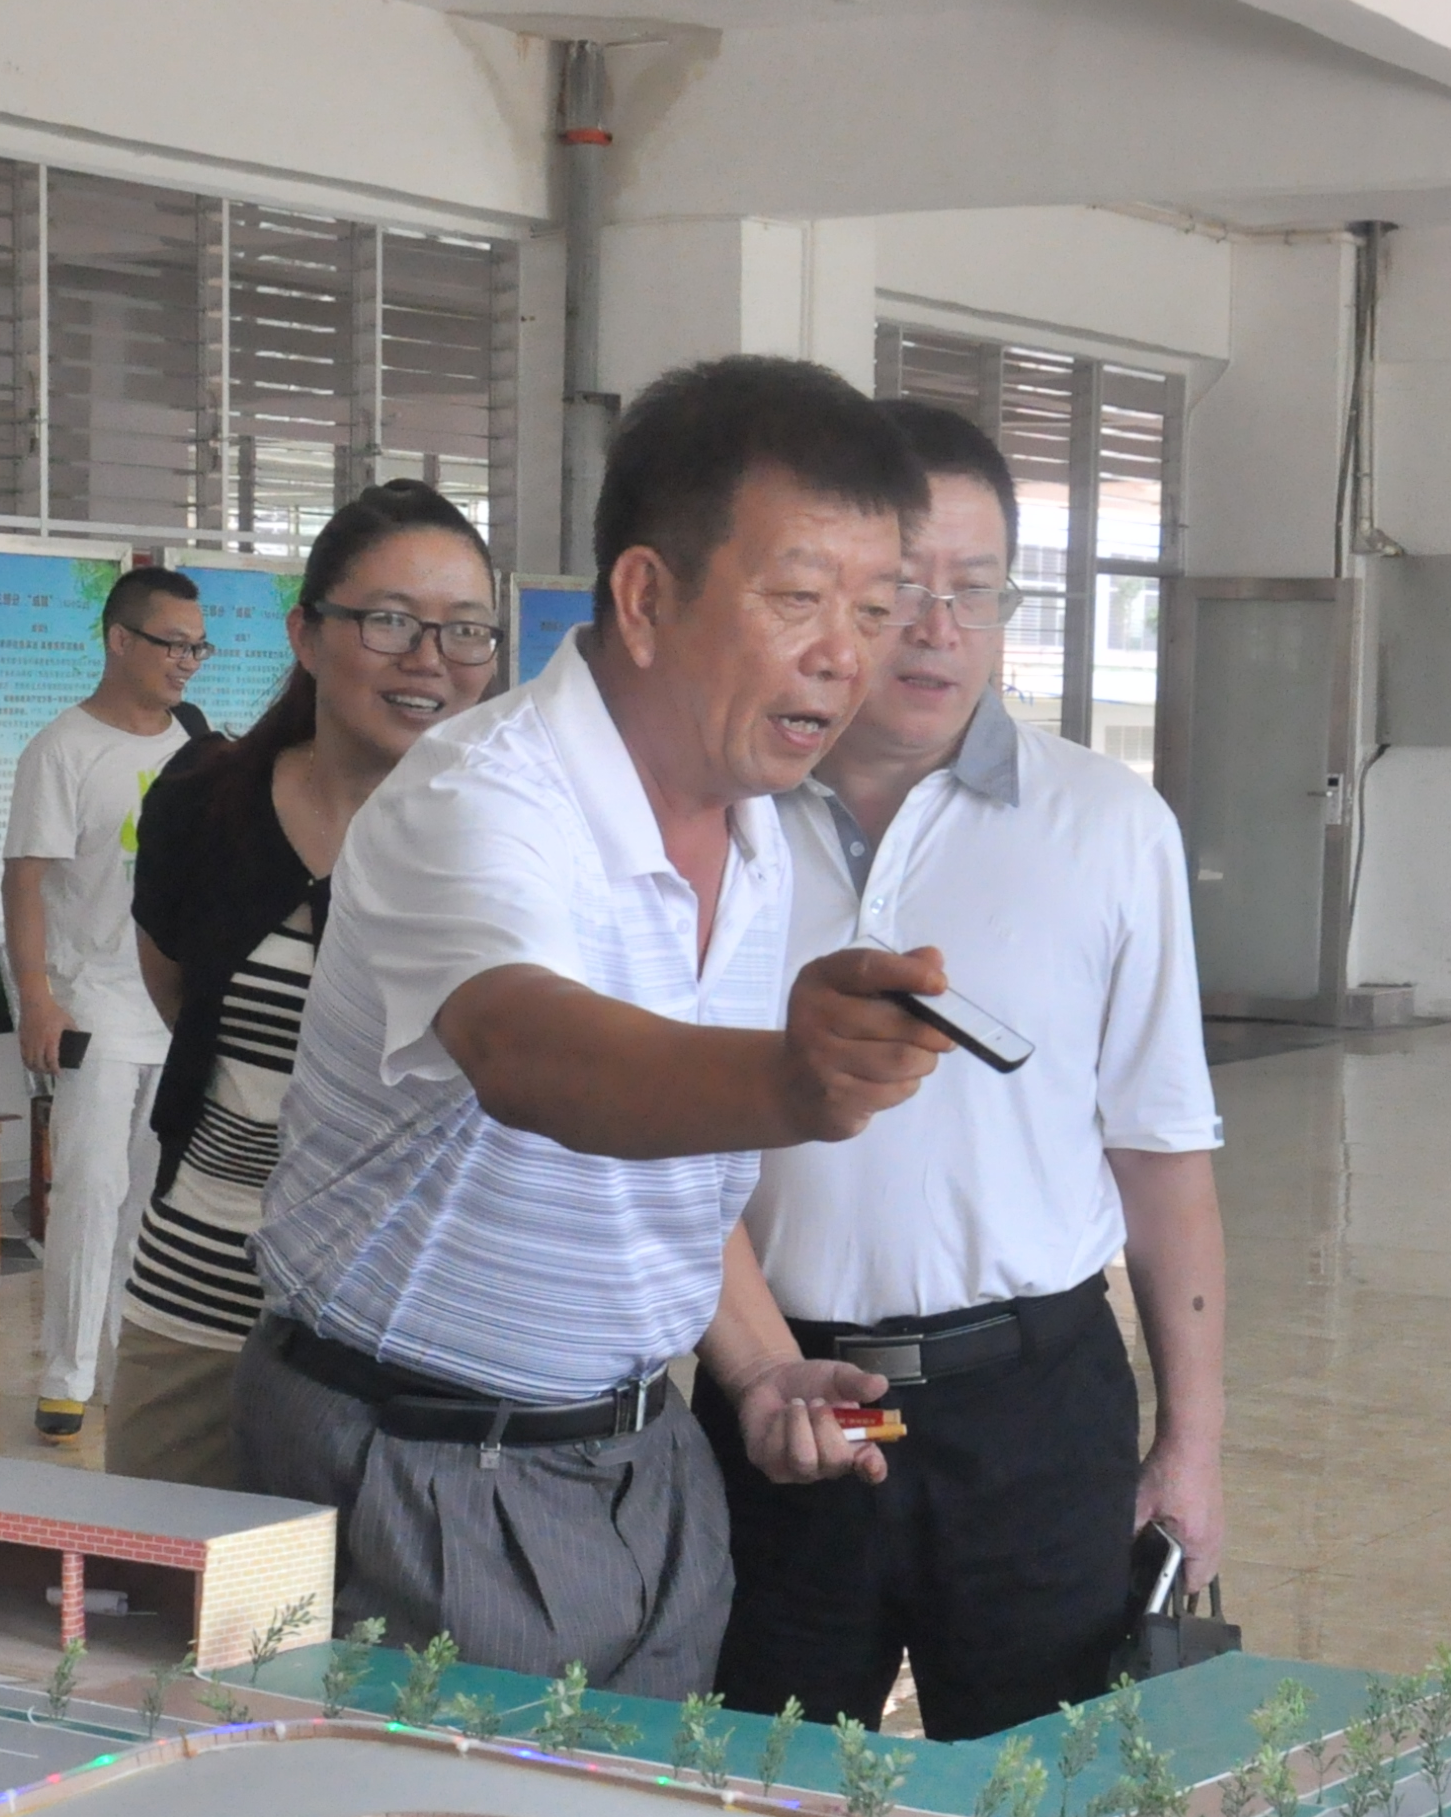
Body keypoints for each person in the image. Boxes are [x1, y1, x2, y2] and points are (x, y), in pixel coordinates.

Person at [238, 354, 954, 1696]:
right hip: (422, 1465)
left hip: (647, 1459)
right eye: (798, 598)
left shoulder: (761, 839)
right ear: (645, 597)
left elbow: (667, 1168)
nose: (844, 655)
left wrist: (761, 1370)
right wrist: (792, 1081)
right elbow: (530, 1053)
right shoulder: (479, 796)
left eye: (873, 610)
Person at [703, 398, 1227, 1739]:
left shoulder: (1108, 825)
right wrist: (756, 1374)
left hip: (1029, 1410)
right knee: (760, 1790)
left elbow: (1161, 1151)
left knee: (1040, 1800)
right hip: (777, 1405)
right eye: (900, 591)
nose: (938, 627)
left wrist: (1191, 1442)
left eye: (976, 590)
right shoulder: (720, 816)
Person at [111, 482, 502, 1486]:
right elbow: (182, 998)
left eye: (465, 630)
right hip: (202, 1290)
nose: (429, 658)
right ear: (306, 634)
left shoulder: (516, 841)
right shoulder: (204, 804)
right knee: (171, 1574)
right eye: (389, 621)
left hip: (410, 1329)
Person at [5, 564, 202, 1442]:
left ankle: (127, 1364)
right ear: (120, 640)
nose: (186, 661)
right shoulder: (62, 749)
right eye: (171, 644)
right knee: (89, 1185)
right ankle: (66, 1372)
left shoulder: (196, 743)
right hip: (92, 1003)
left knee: (154, 1197)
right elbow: (25, 880)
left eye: (197, 647)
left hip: (178, 1007)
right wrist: (37, 998)